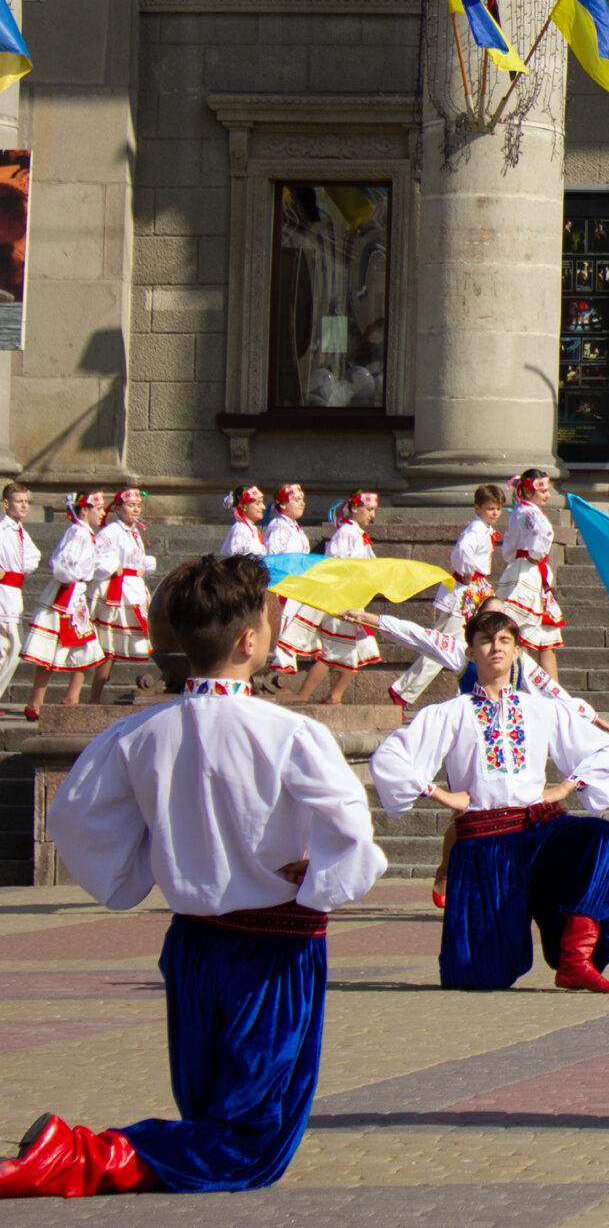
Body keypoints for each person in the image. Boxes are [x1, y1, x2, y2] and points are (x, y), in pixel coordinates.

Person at [0, 553, 385, 1198]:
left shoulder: (137, 732)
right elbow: (351, 828)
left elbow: (74, 816)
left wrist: (142, 862)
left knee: (210, 1116)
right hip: (275, 946)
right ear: (250, 639)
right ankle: (71, 1155)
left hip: (193, 944)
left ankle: (82, 1156)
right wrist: (324, 878)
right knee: (250, 1145)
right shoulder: (290, 732)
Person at [364, 606, 609, 993]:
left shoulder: (539, 709)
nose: (496, 648)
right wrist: (438, 793)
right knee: (478, 978)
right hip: (485, 841)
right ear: (470, 651)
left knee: (599, 839)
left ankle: (575, 960)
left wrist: (566, 786)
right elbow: (390, 757)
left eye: (505, 640)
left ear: (516, 650)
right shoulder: (450, 713)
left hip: (539, 829)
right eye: (486, 640)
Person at [391, 484, 505, 708]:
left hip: (473, 592)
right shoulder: (477, 530)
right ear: (477, 508)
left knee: (459, 646)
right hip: (465, 594)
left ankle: (461, 695)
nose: (494, 513)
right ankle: (404, 692)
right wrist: (468, 572)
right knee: (444, 645)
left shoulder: (484, 530)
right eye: (490, 508)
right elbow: (462, 551)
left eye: (498, 509)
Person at [22, 490, 107, 721]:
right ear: (84, 510)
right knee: (53, 647)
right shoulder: (78, 534)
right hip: (65, 596)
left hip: (75, 596)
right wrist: (76, 575)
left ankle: (72, 697)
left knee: (86, 646)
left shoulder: (86, 535)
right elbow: (61, 565)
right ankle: (36, 701)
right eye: (98, 509)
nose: (102, 514)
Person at [290, 495, 379, 706]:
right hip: (340, 598)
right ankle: (303, 695)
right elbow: (339, 565)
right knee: (335, 652)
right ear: (355, 509)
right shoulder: (346, 533)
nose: (372, 515)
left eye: (374, 510)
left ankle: (334, 696)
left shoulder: (357, 534)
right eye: (369, 510)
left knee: (358, 649)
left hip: (352, 598)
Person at [492, 471, 565, 680]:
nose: (547, 495)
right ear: (527, 491)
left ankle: (545, 694)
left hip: (522, 569)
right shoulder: (531, 514)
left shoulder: (518, 512)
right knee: (524, 636)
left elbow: (508, 545)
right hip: (529, 573)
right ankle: (517, 686)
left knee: (542, 639)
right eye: (543, 491)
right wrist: (535, 554)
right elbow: (545, 532)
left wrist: (519, 557)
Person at [89, 488, 157, 697]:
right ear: (118, 508)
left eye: (138, 506)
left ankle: (96, 693)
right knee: (108, 646)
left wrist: (143, 567)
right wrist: (113, 566)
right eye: (130, 505)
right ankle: (93, 695)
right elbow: (96, 554)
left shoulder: (135, 532)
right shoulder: (112, 531)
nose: (136, 509)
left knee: (116, 645)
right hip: (117, 592)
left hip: (132, 589)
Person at [262, 487, 313, 680]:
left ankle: (282, 667)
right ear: (282, 504)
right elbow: (273, 558)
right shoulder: (277, 526)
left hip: (296, 586)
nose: (302, 503)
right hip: (283, 585)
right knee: (282, 624)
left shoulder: (295, 528)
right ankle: (275, 667)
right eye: (297, 499)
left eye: (303, 499)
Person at [0, 482, 40, 705]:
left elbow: (33, 557)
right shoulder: (2, 529)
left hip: (14, 594)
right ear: (6, 504)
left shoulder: (20, 531)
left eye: (27, 502)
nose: (24, 506)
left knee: (7, 649)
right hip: (3, 593)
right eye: (19, 501)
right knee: (12, 647)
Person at [213, 487, 265, 561]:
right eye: (258, 503)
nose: (263, 507)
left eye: (262, 503)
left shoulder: (251, 530)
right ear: (244, 506)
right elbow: (235, 559)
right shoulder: (240, 529)